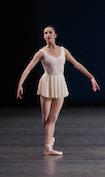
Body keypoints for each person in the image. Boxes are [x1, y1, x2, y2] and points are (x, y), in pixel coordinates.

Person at [16, 25, 100, 155]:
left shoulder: (63, 50)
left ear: (55, 35)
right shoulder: (41, 52)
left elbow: (76, 64)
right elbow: (29, 68)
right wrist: (20, 84)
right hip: (47, 83)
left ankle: (48, 147)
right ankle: (49, 142)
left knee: (53, 118)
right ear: (44, 36)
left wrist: (91, 77)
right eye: (45, 33)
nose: (48, 35)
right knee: (45, 118)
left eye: (50, 32)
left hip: (59, 83)